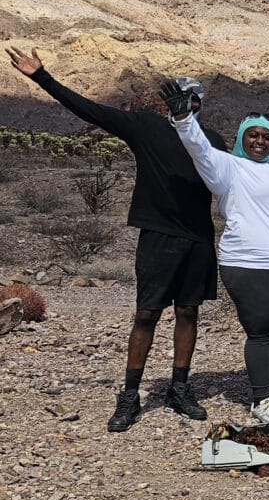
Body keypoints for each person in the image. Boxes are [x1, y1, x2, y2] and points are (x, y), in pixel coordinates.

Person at [5, 46, 224, 433]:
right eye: (175, 97)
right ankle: (130, 394)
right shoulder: (146, 127)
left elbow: (236, 181)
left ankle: (179, 388)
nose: (181, 104)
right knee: (146, 313)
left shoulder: (214, 140)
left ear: (198, 103)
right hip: (158, 235)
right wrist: (42, 77)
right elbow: (91, 110)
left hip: (198, 239)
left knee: (189, 311)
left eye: (189, 98)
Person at [160, 84, 269, 428]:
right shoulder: (228, 167)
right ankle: (262, 400)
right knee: (264, 333)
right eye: (252, 135)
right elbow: (198, 147)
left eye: (265, 136)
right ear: (242, 138)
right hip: (253, 267)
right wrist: (184, 118)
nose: (259, 141)